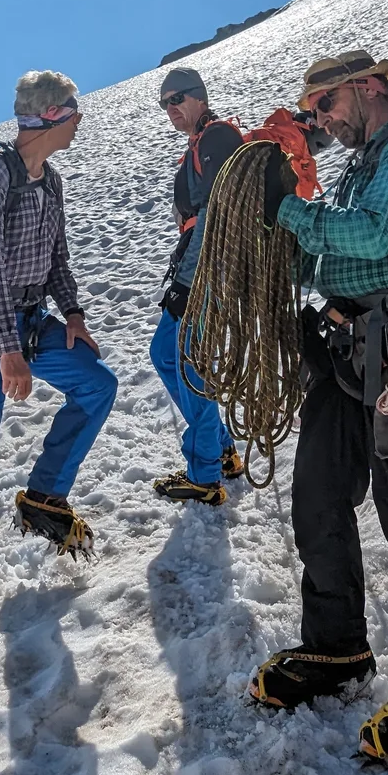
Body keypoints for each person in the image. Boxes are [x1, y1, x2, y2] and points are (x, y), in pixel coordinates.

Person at [248, 49, 388, 763]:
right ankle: (337, 646)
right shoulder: (358, 166)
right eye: (312, 110)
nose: (319, 118)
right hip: (353, 342)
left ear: (370, 85)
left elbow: (378, 234)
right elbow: (336, 256)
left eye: (324, 103)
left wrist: (290, 209)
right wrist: (273, 240)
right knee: (317, 492)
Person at [0, 70, 118, 629]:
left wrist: (74, 315)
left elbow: (57, 257)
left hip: (32, 322)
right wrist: (8, 351)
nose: (80, 119)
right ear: (50, 117)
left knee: (96, 384)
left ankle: (43, 496)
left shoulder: (50, 181)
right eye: (73, 111)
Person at [150, 65, 247, 505]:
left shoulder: (217, 139)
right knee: (169, 355)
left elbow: (215, 215)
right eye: (165, 102)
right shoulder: (202, 142)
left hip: (209, 271)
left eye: (177, 99)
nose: (171, 108)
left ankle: (205, 473)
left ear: (199, 97)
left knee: (188, 365)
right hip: (204, 268)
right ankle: (222, 449)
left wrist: (189, 281)